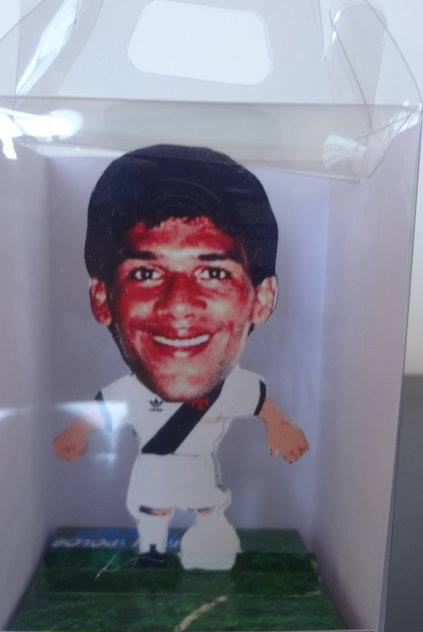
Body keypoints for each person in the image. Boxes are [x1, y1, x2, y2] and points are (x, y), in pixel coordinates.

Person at [53, 144, 308, 570]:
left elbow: (261, 405)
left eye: (213, 273)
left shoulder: (236, 388)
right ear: (102, 298)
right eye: (146, 273)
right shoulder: (129, 392)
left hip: (198, 468)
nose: (179, 306)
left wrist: (280, 427)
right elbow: (100, 411)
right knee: (153, 511)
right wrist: (76, 433)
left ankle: (212, 545)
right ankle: (152, 553)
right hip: (152, 467)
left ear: (261, 299)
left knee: (208, 507)